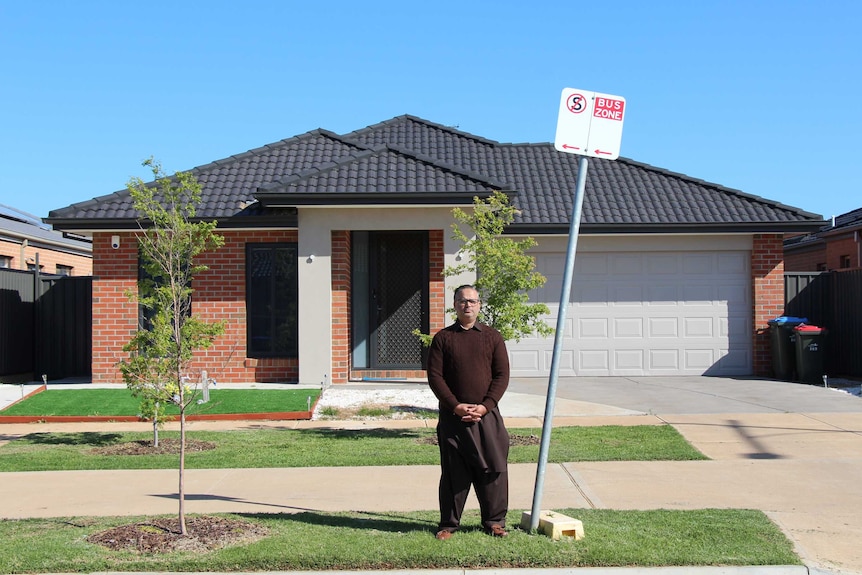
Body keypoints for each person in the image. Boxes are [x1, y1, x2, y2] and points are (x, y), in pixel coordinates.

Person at [426, 284, 511, 540]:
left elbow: (502, 375)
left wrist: (485, 406)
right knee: (454, 472)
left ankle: (495, 522)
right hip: (454, 417)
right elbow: (435, 377)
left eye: (473, 301)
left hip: (487, 415)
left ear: (479, 306)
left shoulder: (493, 337)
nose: (468, 305)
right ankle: (448, 525)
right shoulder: (443, 338)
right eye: (463, 301)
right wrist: (455, 405)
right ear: (455, 305)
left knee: (493, 469)